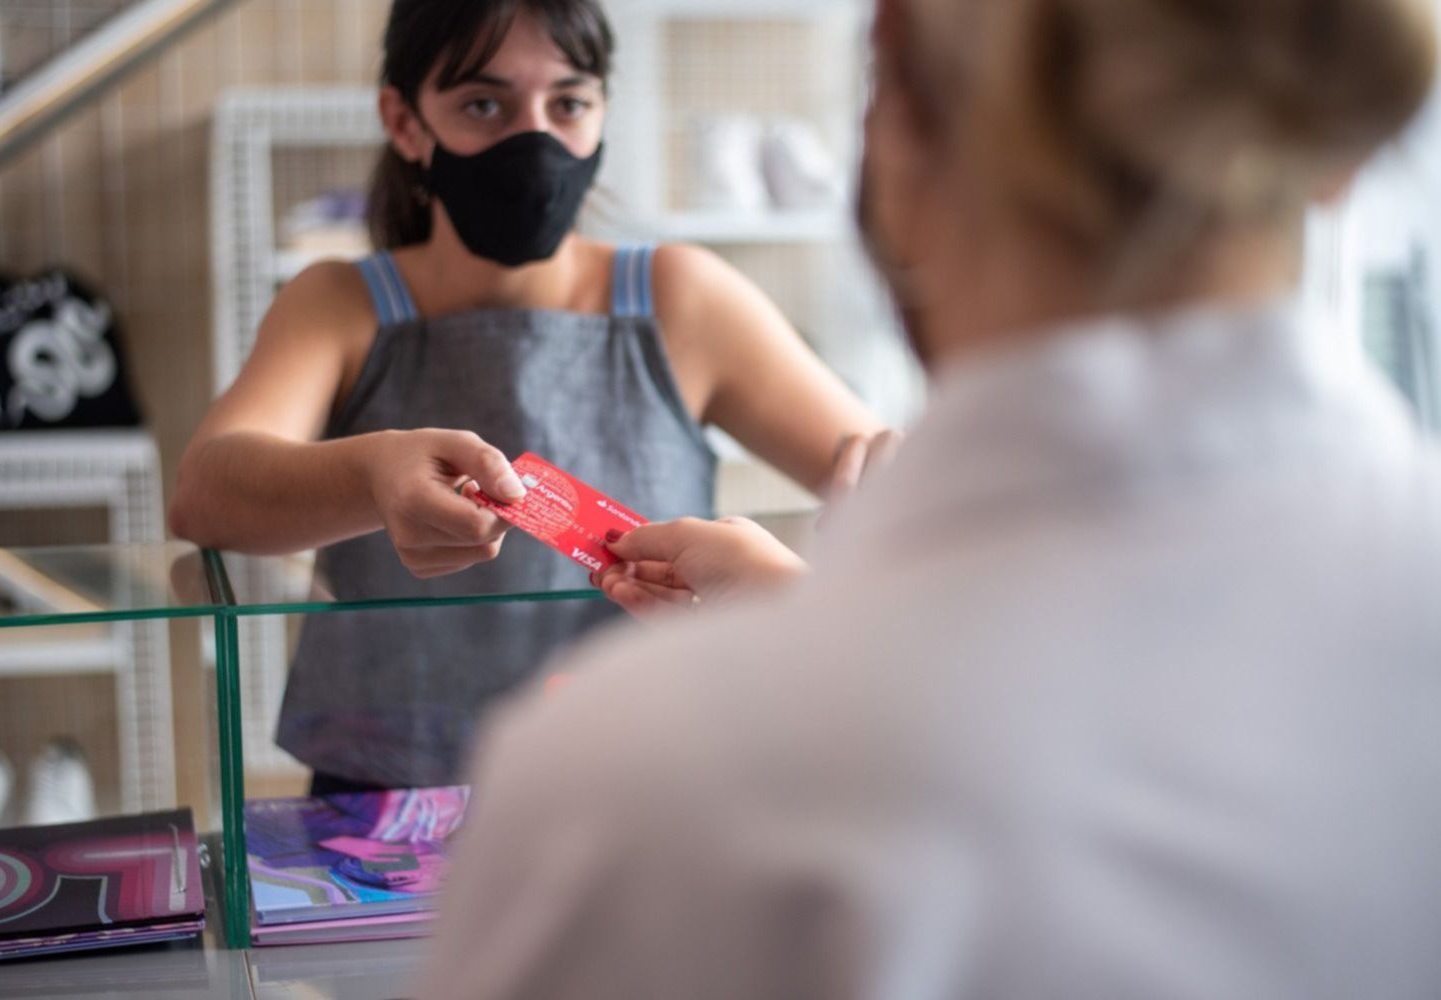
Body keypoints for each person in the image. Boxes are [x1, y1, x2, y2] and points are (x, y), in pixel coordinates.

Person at [423, 0, 1441, 996]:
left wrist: (810, 634)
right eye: (485, 102)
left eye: (568, 100)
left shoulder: (626, 781)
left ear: (894, 103)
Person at [169, 0, 886, 790]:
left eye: (569, 103)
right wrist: (371, 474)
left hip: (644, 782)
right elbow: (204, 492)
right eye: (484, 104)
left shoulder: (682, 299)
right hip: (389, 798)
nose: (535, 139)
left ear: (604, 111)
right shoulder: (340, 304)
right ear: (404, 123)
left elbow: (883, 477)